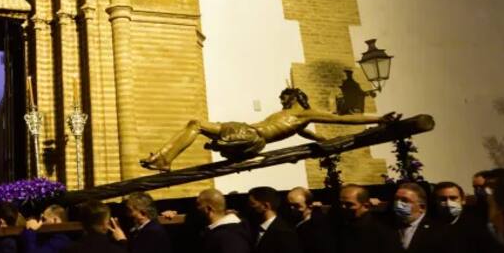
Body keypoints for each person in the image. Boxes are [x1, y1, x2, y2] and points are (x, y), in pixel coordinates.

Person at [141, 87, 398, 171]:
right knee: (194, 124)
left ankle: (164, 158)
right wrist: (323, 142)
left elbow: (342, 119)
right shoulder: (293, 120)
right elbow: (312, 135)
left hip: (250, 135)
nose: (281, 101)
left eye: (284, 98)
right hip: (245, 131)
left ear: (293, 97)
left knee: (196, 124)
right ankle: (163, 157)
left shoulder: (303, 114)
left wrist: (378, 120)